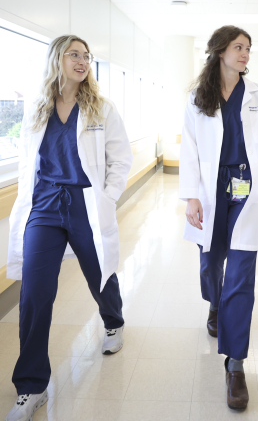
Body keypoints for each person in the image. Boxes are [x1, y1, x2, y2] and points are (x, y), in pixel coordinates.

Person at [6, 35, 132, 421]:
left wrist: (107, 198)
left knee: (100, 273)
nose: (82, 61)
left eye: (86, 56)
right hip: (43, 204)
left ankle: (113, 321)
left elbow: (120, 158)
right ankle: (31, 386)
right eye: (74, 54)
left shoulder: (101, 108)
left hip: (85, 204)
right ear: (56, 59)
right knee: (34, 292)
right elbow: (28, 162)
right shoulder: (37, 109)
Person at [180, 25, 258, 410]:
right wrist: (191, 196)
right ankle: (214, 303)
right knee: (211, 264)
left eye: (248, 48)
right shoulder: (198, 96)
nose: (245, 54)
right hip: (211, 192)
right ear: (220, 51)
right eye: (239, 47)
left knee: (241, 273)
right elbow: (189, 147)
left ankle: (236, 363)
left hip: (246, 187)